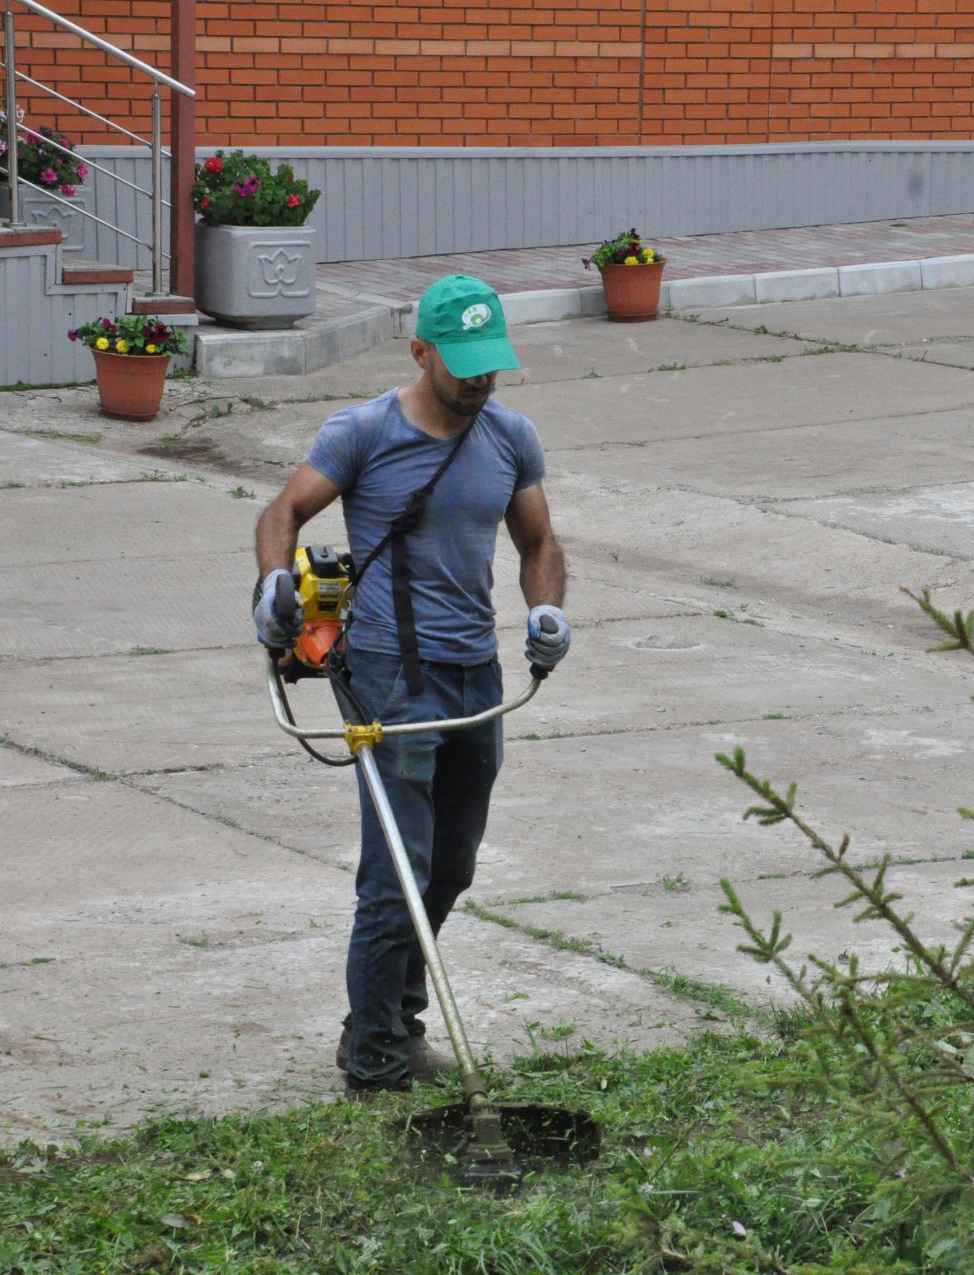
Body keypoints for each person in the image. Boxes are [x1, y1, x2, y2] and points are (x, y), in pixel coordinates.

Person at [251, 274, 570, 1095]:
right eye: (460, 363)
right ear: (420, 350)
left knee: (450, 867)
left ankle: (388, 1018)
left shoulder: (509, 435)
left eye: (489, 362)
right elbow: (282, 513)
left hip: (477, 673)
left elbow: (538, 542)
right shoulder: (363, 432)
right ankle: (378, 1057)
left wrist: (546, 612)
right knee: (395, 873)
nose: (478, 378)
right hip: (390, 677)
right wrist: (272, 586)